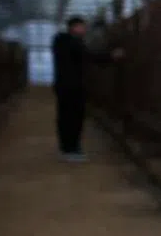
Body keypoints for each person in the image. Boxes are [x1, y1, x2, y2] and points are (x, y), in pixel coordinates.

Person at [51, 16, 121, 162]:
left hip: (65, 86)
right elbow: (88, 55)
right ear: (74, 27)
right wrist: (111, 56)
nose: (84, 29)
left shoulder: (62, 41)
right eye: (82, 27)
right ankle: (72, 149)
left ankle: (67, 148)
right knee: (74, 117)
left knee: (66, 117)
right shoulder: (71, 42)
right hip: (72, 87)